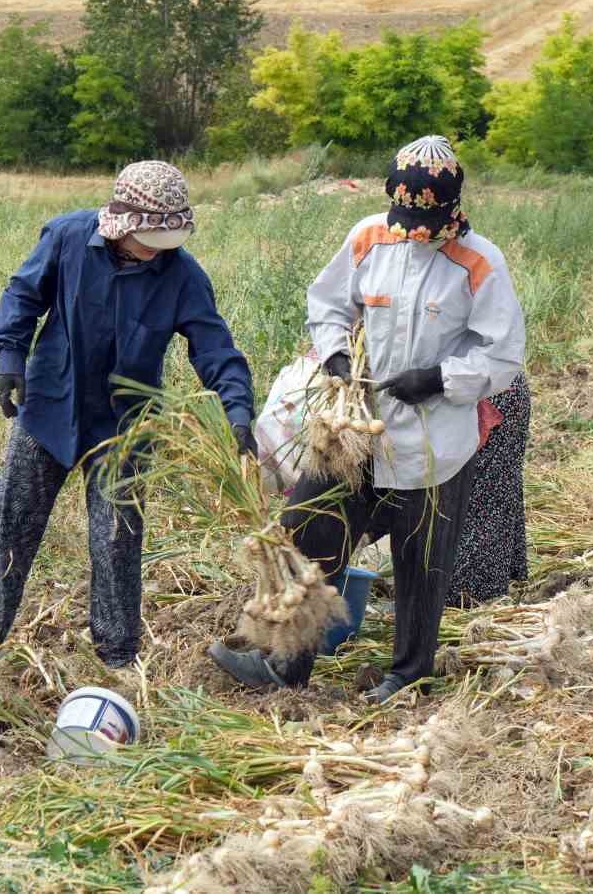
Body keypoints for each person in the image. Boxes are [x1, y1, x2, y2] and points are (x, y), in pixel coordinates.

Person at [208, 135, 526, 703]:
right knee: (308, 530)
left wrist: (437, 379)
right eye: (406, 216)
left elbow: (501, 355)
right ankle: (286, 664)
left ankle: (408, 673)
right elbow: (328, 304)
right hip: (351, 433)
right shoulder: (369, 236)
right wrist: (333, 351)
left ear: (451, 208)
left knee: (421, 561)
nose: (415, 231)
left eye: (428, 219)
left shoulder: (479, 262)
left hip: (433, 442)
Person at [0, 161, 256, 670]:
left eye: (168, 237)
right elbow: (23, 295)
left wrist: (237, 412)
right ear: (123, 224)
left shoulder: (183, 276)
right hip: (49, 406)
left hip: (127, 426)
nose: (159, 248)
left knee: (117, 541)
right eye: (151, 236)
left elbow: (215, 350)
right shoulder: (66, 237)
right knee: (13, 527)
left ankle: (118, 660)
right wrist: (10, 357)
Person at [451, 373, 532, 606]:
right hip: (497, 387)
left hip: (487, 395)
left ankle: (464, 595)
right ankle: (480, 590)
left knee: (477, 497)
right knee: (491, 492)